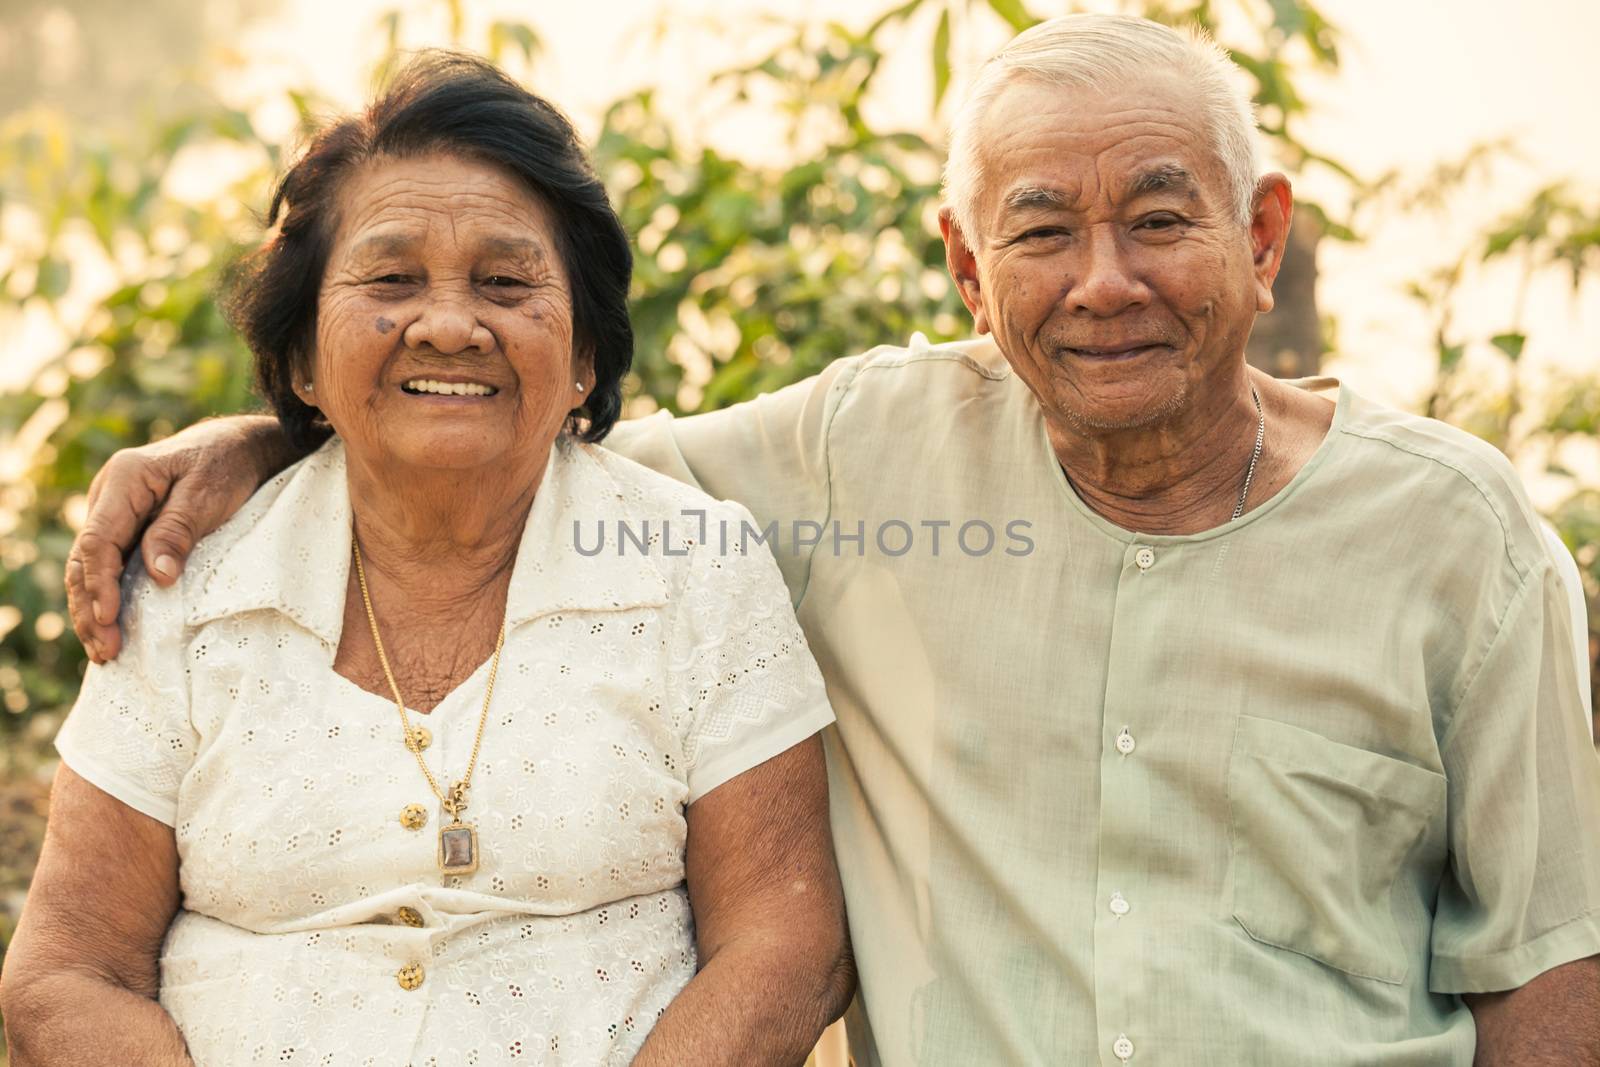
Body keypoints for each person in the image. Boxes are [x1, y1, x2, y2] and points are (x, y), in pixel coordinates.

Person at [49, 14, 1600, 1066]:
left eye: (1162, 217)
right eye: (1043, 229)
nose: (1105, 279)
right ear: (965, 270)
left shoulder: (1461, 540)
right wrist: (273, 434)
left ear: (1260, 239)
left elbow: (1545, 965)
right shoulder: (860, 453)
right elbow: (498, 439)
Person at [0, 52, 852, 1067]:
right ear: (305, 359)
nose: (449, 325)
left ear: (584, 355)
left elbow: (785, 945)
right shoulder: (194, 581)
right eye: (390, 278)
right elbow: (68, 969)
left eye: (504, 282)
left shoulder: (696, 564)